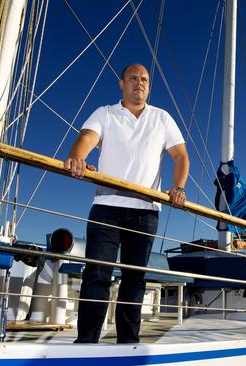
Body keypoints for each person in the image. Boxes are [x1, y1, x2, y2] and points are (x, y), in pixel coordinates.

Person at [65, 63, 189, 344]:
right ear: (121, 83)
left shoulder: (162, 118)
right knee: (97, 274)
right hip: (107, 206)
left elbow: (180, 156)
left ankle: (128, 343)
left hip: (145, 211)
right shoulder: (105, 114)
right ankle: (86, 342)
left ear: (149, 85)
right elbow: (86, 138)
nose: (139, 83)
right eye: (133, 78)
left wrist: (178, 187)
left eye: (144, 79)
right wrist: (78, 157)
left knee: (135, 280)